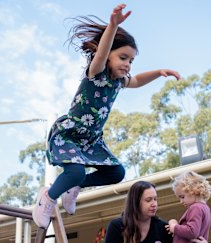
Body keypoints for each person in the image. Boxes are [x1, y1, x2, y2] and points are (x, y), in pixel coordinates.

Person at [32, 3, 182, 229]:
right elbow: (102, 53)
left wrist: (158, 73)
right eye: (123, 57)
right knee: (75, 171)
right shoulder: (96, 72)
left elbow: (138, 80)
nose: (127, 64)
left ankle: (75, 186)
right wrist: (112, 26)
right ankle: (48, 198)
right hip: (71, 134)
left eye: (131, 60)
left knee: (116, 172)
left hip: (91, 138)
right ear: (108, 54)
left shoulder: (119, 81)